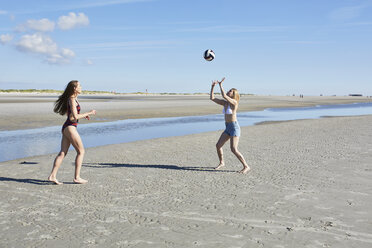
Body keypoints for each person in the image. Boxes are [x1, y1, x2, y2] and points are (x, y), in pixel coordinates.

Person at [48, 80, 96, 185]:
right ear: (74, 88)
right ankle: (77, 177)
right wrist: (89, 113)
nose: (81, 87)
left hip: (67, 127)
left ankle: (52, 176)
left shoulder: (73, 99)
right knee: (81, 151)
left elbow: (71, 115)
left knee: (62, 152)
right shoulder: (72, 99)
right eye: (79, 86)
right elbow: (74, 117)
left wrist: (83, 114)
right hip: (70, 127)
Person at [210, 77, 250, 174]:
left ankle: (246, 166)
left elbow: (224, 95)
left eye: (230, 91)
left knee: (233, 149)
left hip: (234, 127)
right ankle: (222, 162)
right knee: (218, 145)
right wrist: (212, 87)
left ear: (234, 94)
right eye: (229, 90)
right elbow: (212, 98)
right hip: (227, 127)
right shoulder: (225, 103)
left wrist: (220, 85)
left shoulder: (234, 103)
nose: (228, 91)